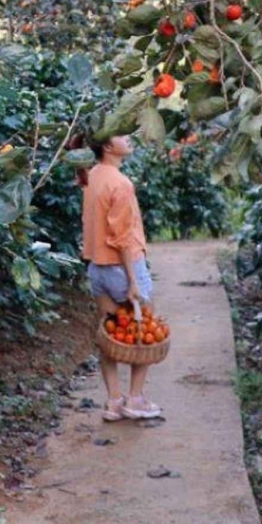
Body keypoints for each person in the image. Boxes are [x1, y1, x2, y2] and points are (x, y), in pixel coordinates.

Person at [81, 133, 163, 421]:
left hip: (97, 270)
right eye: (121, 135)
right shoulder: (121, 183)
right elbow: (124, 238)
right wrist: (133, 282)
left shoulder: (91, 176)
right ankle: (135, 400)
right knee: (145, 335)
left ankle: (114, 401)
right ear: (106, 146)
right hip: (122, 268)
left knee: (110, 336)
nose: (129, 139)